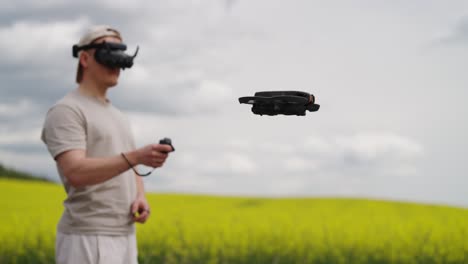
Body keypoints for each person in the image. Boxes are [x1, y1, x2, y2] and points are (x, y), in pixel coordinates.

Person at [41, 25, 173, 264]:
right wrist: (135, 156)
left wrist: (140, 195)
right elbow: (75, 172)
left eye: (120, 58)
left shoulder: (118, 116)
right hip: (87, 236)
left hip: (124, 234)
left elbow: (130, 167)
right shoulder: (67, 110)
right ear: (84, 58)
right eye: (109, 55)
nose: (116, 65)